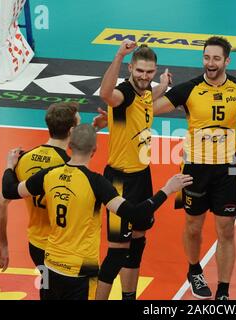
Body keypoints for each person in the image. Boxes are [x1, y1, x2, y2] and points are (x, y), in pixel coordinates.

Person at [1, 124, 193, 300]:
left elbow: (9, 190)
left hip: (50, 264)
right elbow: (135, 214)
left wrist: (10, 165)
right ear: (94, 150)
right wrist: (167, 190)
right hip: (81, 270)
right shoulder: (97, 183)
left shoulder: (48, 175)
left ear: (70, 147)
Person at [152, 36, 236, 300]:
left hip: (229, 166)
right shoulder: (188, 89)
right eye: (206, 57)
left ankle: (223, 290)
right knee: (193, 226)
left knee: (226, 229)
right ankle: (194, 269)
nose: (210, 63)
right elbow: (150, 110)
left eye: (216, 58)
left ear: (226, 60)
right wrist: (161, 87)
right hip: (194, 166)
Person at [93, 40, 172, 300]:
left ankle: (129, 297)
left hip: (141, 175)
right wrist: (118, 54)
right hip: (119, 180)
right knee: (117, 253)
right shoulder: (124, 93)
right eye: (140, 71)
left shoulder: (147, 89)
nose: (144, 77)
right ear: (130, 68)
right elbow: (106, 94)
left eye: (149, 72)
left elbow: (151, 94)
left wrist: (162, 84)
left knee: (137, 244)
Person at [0, 102, 80, 273]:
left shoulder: (23, 159)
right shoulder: (69, 167)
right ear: (71, 131)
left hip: (36, 246)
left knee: (46, 285)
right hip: (64, 248)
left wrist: (2, 245)